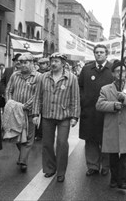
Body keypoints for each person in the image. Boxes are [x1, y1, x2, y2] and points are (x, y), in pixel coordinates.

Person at [32, 52, 80, 182]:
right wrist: (35, 114)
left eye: (56, 61)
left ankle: (61, 171)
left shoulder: (72, 78)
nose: (53, 63)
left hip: (64, 116)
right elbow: (38, 97)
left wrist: (75, 116)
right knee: (47, 143)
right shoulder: (43, 77)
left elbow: (75, 98)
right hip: (47, 115)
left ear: (63, 63)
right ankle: (49, 169)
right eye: (52, 61)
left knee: (62, 143)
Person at [96, 60, 126, 189]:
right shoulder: (105, 89)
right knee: (113, 155)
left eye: (122, 71)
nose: (120, 73)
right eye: (117, 71)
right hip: (112, 126)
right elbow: (99, 105)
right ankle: (114, 179)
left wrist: (125, 98)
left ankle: (124, 181)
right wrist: (113, 105)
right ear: (112, 73)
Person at [78, 44, 114, 177]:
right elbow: (80, 86)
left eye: (102, 52)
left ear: (106, 54)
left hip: (107, 111)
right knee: (91, 139)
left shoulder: (113, 70)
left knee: (106, 139)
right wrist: (83, 99)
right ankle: (92, 165)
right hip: (90, 110)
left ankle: (106, 166)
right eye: (97, 52)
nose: (99, 54)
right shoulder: (87, 69)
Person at [5, 53, 40, 172]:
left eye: (26, 62)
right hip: (15, 111)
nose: (23, 65)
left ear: (32, 63)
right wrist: (10, 103)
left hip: (30, 111)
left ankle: (23, 161)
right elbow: (8, 90)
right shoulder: (15, 75)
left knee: (29, 137)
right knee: (16, 134)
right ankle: (23, 155)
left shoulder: (38, 77)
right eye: (21, 62)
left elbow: (38, 95)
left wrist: (26, 106)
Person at [35, 57, 50, 141]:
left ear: (47, 64)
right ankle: (35, 133)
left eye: (43, 64)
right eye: (40, 64)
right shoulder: (36, 73)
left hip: (46, 98)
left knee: (44, 119)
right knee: (35, 116)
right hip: (37, 97)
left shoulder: (50, 73)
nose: (41, 65)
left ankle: (41, 134)